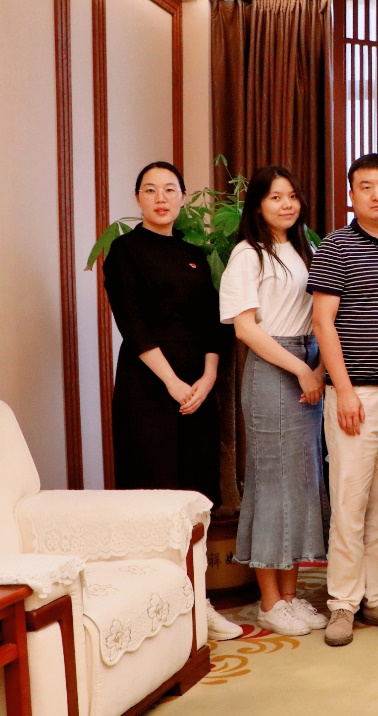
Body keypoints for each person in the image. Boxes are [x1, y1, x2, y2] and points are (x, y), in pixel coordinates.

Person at [102, 160, 242, 641]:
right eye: (150, 190)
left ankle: (200, 603)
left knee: (196, 494)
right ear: (137, 198)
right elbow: (133, 323)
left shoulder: (195, 254)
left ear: (183, 197)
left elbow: (213, 324)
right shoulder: (125, 251)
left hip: (198, 388)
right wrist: (172, 383)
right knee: (155, 493)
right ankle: (157, 609)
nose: (161, 198)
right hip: (148, 387)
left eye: (169, 189)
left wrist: (207, 377)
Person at [308, 153, 378, 646]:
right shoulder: (335, 246)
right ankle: (342, 604)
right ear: (351, 194)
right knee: (350, 502)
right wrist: (345, 390)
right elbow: (322, 322)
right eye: (367, 186)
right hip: (355, 394)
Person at [219, 165, 330, 637]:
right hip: (272, 367)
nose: (286, 205)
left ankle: (290, 595)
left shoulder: (306, 250)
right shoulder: (247, 254)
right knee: (270, 485)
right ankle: (269, 602)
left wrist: (317, 367)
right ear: (258, 205)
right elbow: (246, 329)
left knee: (301, 484)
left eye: (292, 196)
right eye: (275, 197)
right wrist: (301, 369)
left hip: (309, 359)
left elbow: (322, 317)